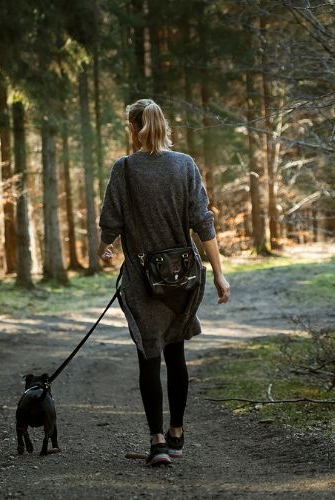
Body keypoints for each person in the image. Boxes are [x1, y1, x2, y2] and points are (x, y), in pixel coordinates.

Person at [97, 98, 231, 466]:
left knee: (148, 356)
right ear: (162, 125)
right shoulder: (185, 165)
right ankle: (177, 434)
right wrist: (218, 272)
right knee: (176, 353)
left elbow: (111, 222)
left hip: (143, 278)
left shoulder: (124, 169)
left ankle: (156, 442)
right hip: (184, 276)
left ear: (132, 128)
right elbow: (203, 222)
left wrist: (104, 250)